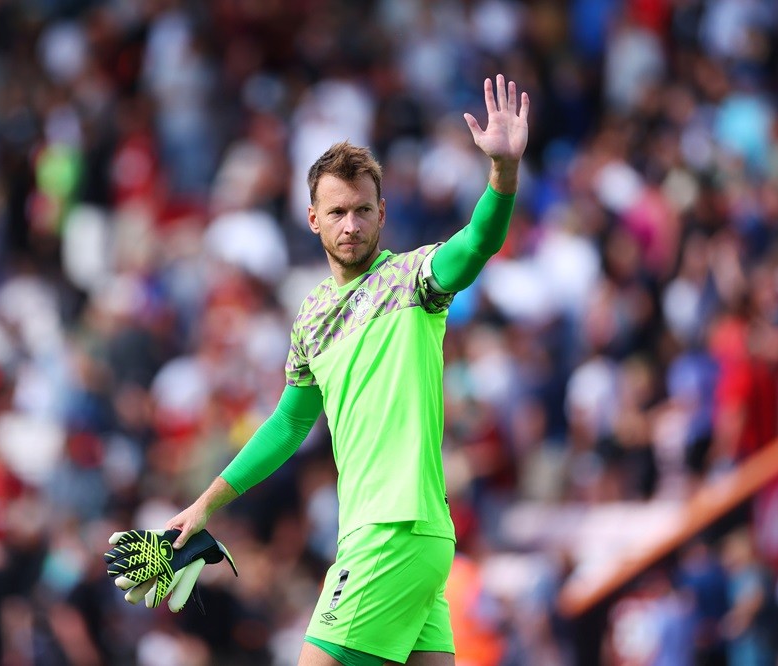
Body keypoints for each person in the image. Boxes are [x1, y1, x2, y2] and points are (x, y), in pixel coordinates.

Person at [166, 73, 529, 665]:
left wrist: (503, 173)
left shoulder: (413, 279)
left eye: (363, 210)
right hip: (403, 537)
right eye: (337, 212)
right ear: (312, 218)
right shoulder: (310, 317)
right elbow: (287, 426)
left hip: (394, 529)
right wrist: (205, 505)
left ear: (383, 213)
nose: (351, 224)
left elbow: (479, 242)